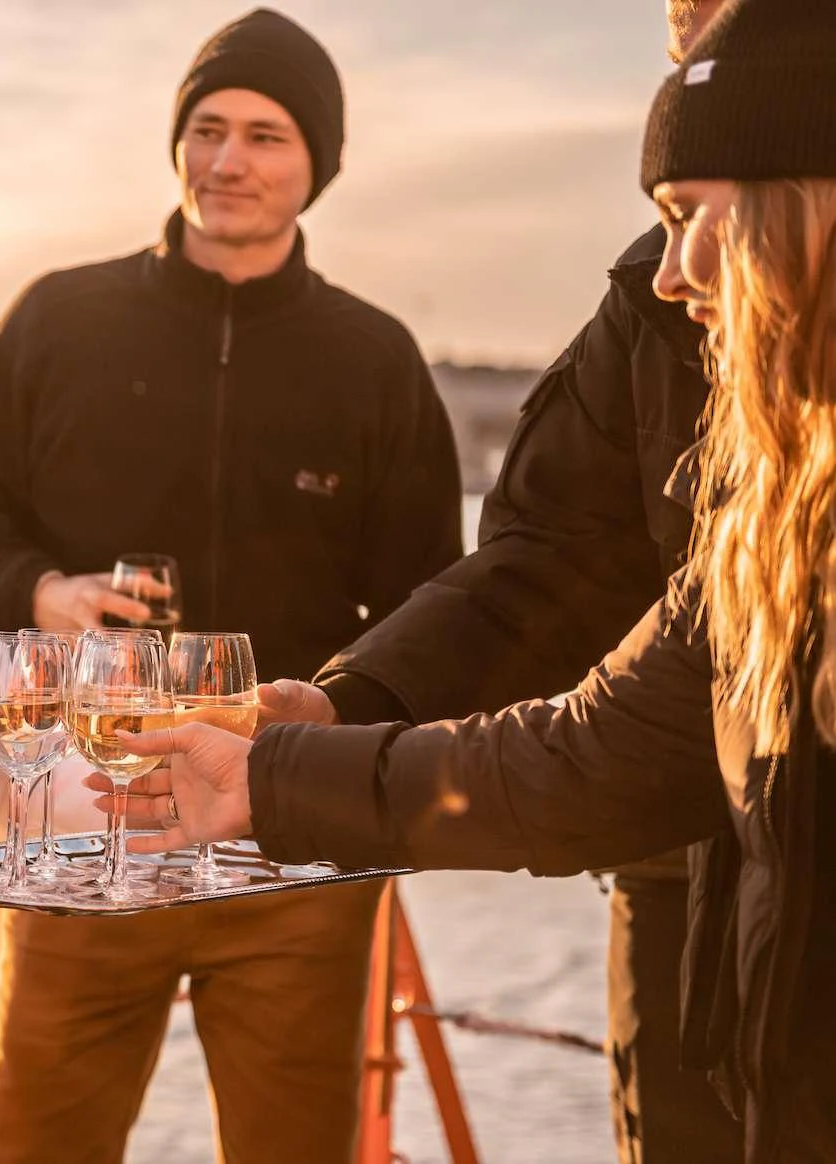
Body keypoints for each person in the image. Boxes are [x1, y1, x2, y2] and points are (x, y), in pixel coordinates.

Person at [106, 2, 836, 1156]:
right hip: (697, 873)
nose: (676, 274)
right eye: (667, 216)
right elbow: (552, 585)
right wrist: (329, 720)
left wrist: (290, 778)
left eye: (704, 219)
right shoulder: (753, 493)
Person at [0, 10, 462, 1160]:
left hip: (290, 835)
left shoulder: (374, 360)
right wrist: (41, 589)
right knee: (35, 1144)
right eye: (206, 129)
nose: (227, 162)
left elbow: (431, 600)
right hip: (81, 827)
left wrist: (333, 745)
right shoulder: (58, 318)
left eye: (265, 136)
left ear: (317, 162)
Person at [246, 0, 742, 1157]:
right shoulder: (651, 300)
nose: (681, 269)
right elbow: (548, 560)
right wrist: (346, 702)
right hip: (678, 867)